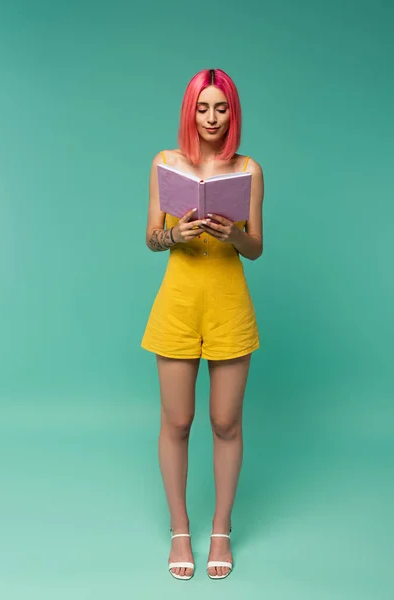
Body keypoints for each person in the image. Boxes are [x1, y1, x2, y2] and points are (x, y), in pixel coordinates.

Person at [141, 68, 264, 580]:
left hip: (229, 305)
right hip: (178, 304)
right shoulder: (166, 164)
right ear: (190, 112)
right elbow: (151, 237)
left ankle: (220, 528)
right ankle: (180, 529)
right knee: (178, 422)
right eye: (203, 107)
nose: (212, 117)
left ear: (232, 112)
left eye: (221, 108)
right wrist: (178, 233)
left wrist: (233, 232)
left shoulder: (249, 169)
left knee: (225, 423)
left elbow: (256, 248)